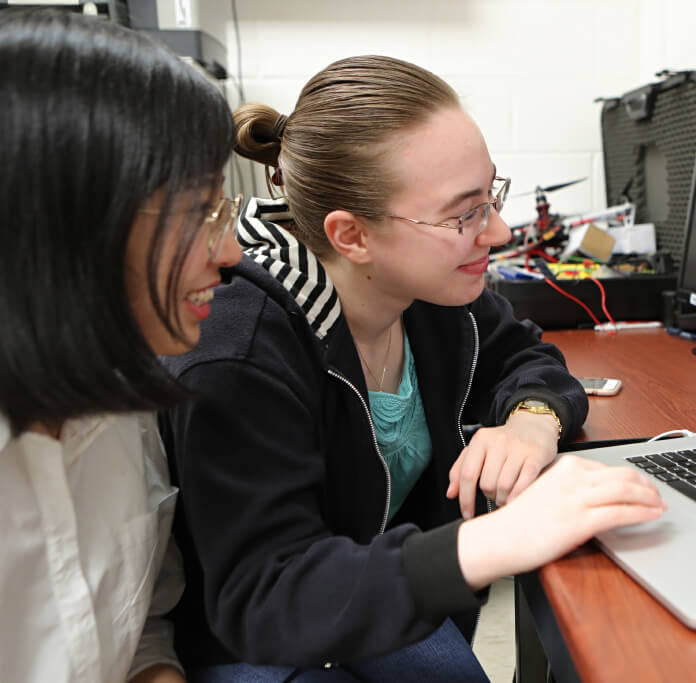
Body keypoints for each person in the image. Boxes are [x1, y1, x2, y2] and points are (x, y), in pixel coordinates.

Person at [158, 55, 666, 681]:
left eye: (491, 197)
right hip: (260, 633)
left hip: (371, 584)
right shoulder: (239, 350)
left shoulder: (433, 290)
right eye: (465, 213)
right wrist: (495, 542)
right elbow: (267, 595)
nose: (499, 232)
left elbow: (526, 355)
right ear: (352, 236)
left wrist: (532, 420)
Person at [0, 8, 242, 683]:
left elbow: (135, 634)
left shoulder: (123, 402)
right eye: (201, 213)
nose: (232, 251)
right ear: (65, 220)